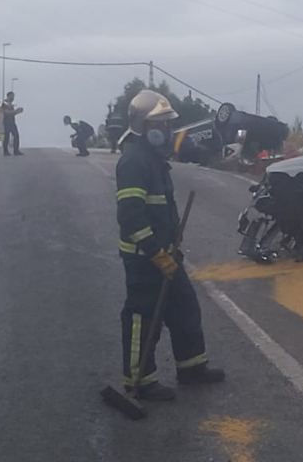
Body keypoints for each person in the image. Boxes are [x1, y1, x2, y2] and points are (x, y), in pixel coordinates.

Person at [115, 90, 224, 400]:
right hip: (144, 257)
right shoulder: (134, 162)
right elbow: (131, 217)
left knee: (184, 306)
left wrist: (169, 247)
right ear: (143, 127)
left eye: (167, 125)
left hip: (165, 253)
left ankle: (191, 368)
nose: (166, 131)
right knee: (142, 317)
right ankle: (140, 381)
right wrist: (154, 252)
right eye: (160, 125)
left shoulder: (153, 160)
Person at [1, 91, 23, 157]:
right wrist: (16, 111)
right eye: (12, 96)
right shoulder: (4, 103)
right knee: (6, 137)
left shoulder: (10, 104)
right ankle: (6, 151)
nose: (13, 98)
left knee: (16, 135)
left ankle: (16, 150)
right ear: (8, 96)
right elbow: (6, 113)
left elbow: (11, 113)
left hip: (12, 122)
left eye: (13, 96)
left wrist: (17, 111)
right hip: (6, 122)